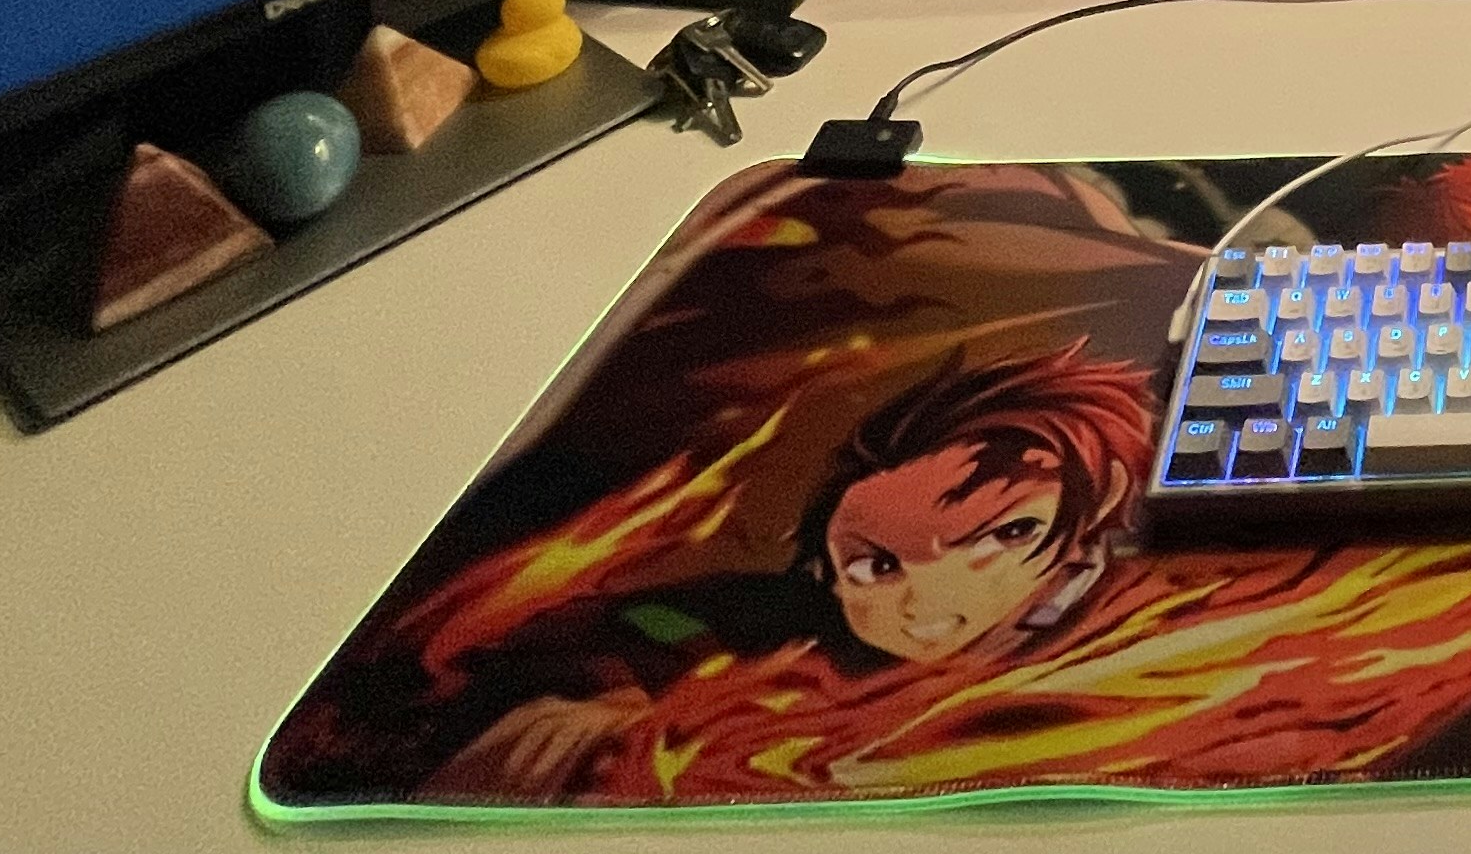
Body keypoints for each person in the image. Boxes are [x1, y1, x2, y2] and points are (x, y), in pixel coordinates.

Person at [431, 340, 1149, 799]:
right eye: (879, 563)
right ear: (830, 563)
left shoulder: (1124, 622)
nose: (931, 599)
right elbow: (622, 627)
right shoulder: (768, 619)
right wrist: (614, 701)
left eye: (1003, 533)